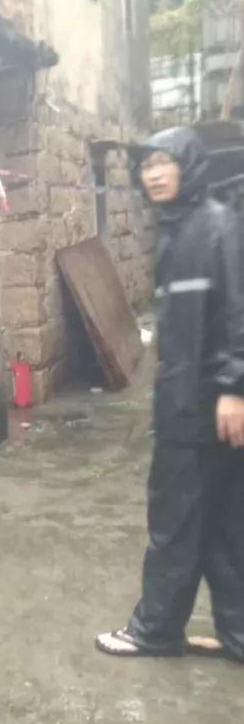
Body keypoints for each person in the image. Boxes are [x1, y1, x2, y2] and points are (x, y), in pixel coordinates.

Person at [96, 127, 244, 662]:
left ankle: (154, 630)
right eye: (147, 165)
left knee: (176, 522)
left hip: (201, 407)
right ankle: (238, 635)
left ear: (190, 166)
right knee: (224, 525)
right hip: (189, 402)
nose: (154, 174)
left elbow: (238, 309)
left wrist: (234, 387)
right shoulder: (177, 229)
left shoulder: (217, 225)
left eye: (165, 162)